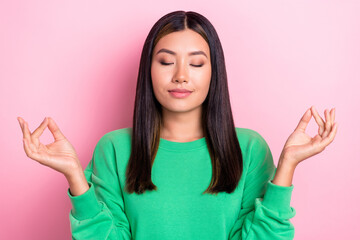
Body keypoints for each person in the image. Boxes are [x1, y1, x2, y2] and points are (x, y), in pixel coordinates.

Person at [17, 10, 338, 240]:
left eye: (197, 63)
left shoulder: (250, 148)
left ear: (215, 72)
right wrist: (76, 177)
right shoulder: (114, 148)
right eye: (166, 61)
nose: (181, 75)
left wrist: (287, 168)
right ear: (148, 69)